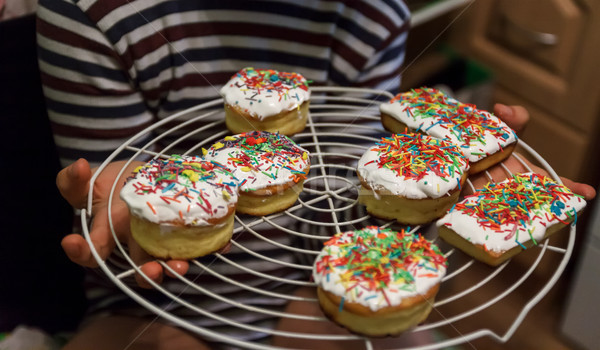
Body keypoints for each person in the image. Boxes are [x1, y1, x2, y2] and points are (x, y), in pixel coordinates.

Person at [39, 1, 596, 349]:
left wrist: (450, 184)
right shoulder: (90, 12)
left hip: (304, 280)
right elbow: (111, 216)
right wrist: (120, 204)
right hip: (148, 303)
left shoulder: (369, 11)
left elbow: (352, 202)